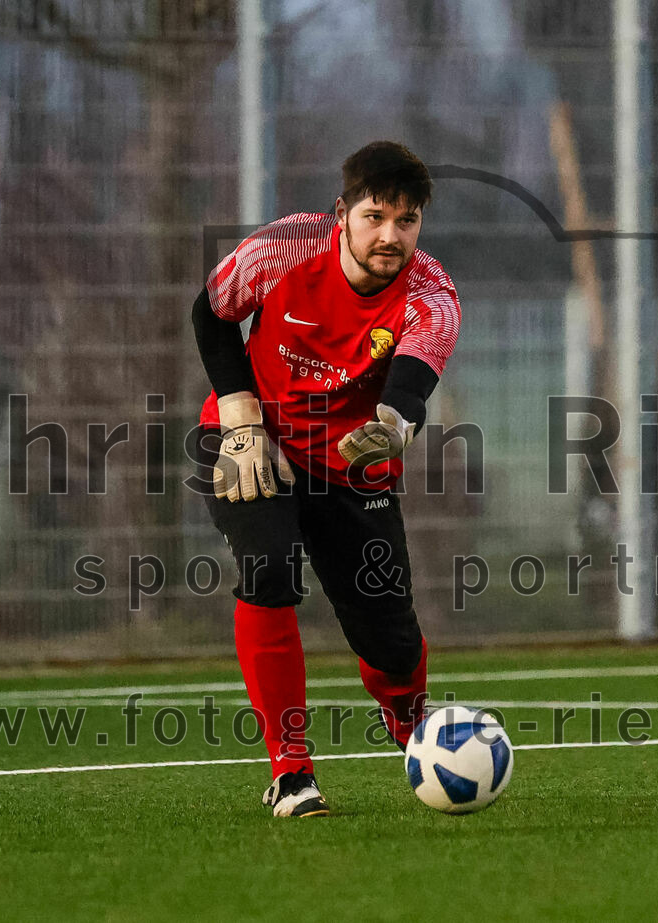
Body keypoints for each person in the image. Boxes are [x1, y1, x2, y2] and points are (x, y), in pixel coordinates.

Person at [191, 141, 460, 817]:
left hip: (351, 465)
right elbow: (212, 313)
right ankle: (291, 771)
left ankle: (410, 724)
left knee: (392, 643)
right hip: (252, 443)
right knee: (269, 569)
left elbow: (413, 380)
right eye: (375, 216)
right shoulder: (285, 248)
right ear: (342, 213)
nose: (390, 236)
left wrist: (392, 427)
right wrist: (241, 413)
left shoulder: (432, 293)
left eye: (407, 221)